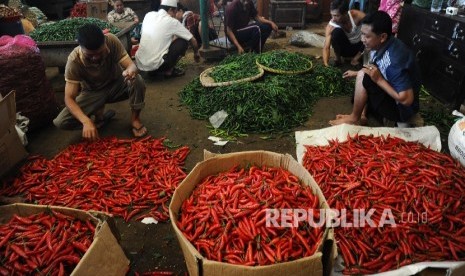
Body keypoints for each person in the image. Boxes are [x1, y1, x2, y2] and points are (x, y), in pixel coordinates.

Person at [53, 24, 147, 140]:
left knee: (137, 79)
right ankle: (98, 117)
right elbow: (69, 98)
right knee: (61, 122)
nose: (95, 58)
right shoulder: (74, 61)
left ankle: (135, 119)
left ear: (104, 41)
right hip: (93, 93)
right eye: (90, 55)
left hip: (116, 85)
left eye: (99, 52)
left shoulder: (111, 40)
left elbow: (131, 65)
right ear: (80, 47)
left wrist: (131, 70)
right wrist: (85, 121)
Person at [329, 11, 420, 126]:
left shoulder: (394, 61)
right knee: (361, 80)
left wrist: (379, 80)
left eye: (367, 36)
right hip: (391, 92)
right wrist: (356, 73)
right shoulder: (383, 44)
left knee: (364, 78)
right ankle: (360, 116)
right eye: (362, 34)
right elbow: (376, 69)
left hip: (401, 110)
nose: (362, 39)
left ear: (382, 37)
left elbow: (407, 100)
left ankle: (354, 118)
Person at [135, 0, 200, 77]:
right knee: (183, 41)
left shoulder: (148, 15)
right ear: (170, 10)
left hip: (140, 64)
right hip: (157, 66)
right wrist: (196, 53)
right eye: (175, 12)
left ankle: (152, 71)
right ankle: (169, 70)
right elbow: (193, 40)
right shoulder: (172, 21)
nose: (175, 16)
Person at [322, 0, 365, 67]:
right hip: (345, 50)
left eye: (336, 15)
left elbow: (372, 24)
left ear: (345, 13)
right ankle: (338, 59)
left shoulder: (356, 15)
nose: (333, 19)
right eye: (332, 15)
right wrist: (326, 64)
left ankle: (355, 60)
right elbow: (326, 47)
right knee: (335, 33)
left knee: (370, 35)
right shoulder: (331, 25)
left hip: (360, 48)